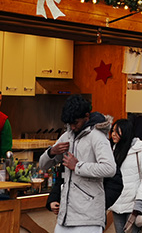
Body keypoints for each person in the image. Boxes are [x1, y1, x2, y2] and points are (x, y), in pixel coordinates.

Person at [38, 94, 117, 233]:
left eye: (76, 123)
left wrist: (78, 166)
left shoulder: (97, 137)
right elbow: (42, 165)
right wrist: (52, 152)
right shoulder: (67, 136)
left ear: (86, 116)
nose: (73, 127)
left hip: (89, 217)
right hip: (65, 217)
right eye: (69, 124)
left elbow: (110, 168)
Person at [109, 118, 142, 233]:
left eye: (117, 131)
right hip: (117, 203)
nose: (113, 134)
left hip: (134, 204)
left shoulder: (139, 149)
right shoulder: (114, 149)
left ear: (126, 131)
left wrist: (140, 200)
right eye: (112, 131)